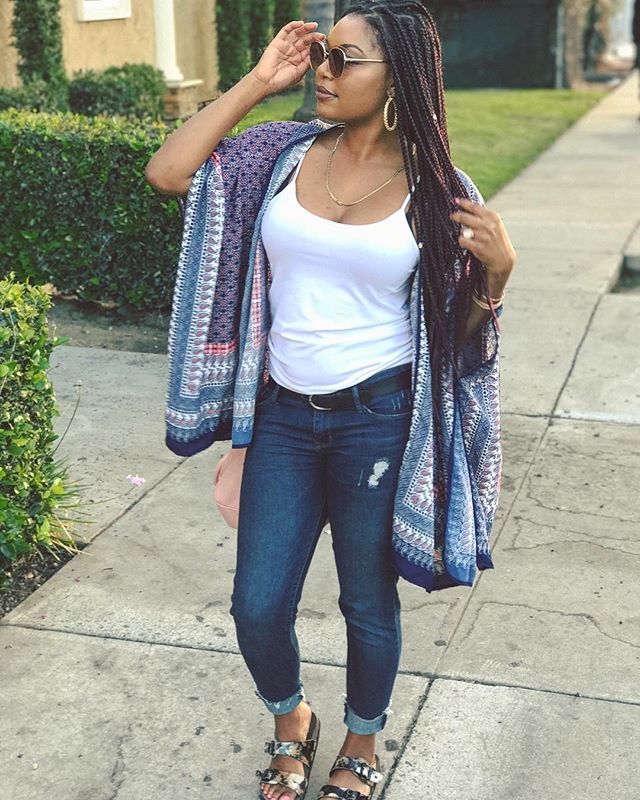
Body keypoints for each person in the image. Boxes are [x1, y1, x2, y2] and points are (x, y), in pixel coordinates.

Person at [146, 2, 516, 799]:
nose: (324, 71)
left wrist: (495, 278)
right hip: (282, 415)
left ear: (397, 78)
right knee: (256, 605)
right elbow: (169, 173)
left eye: (344, 59)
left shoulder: (439, 192)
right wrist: (259, 79)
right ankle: (293, 719)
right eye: (322, 54)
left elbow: (454, 344)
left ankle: (361, 742)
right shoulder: (282, 154)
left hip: (378, 423)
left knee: (366, 603)